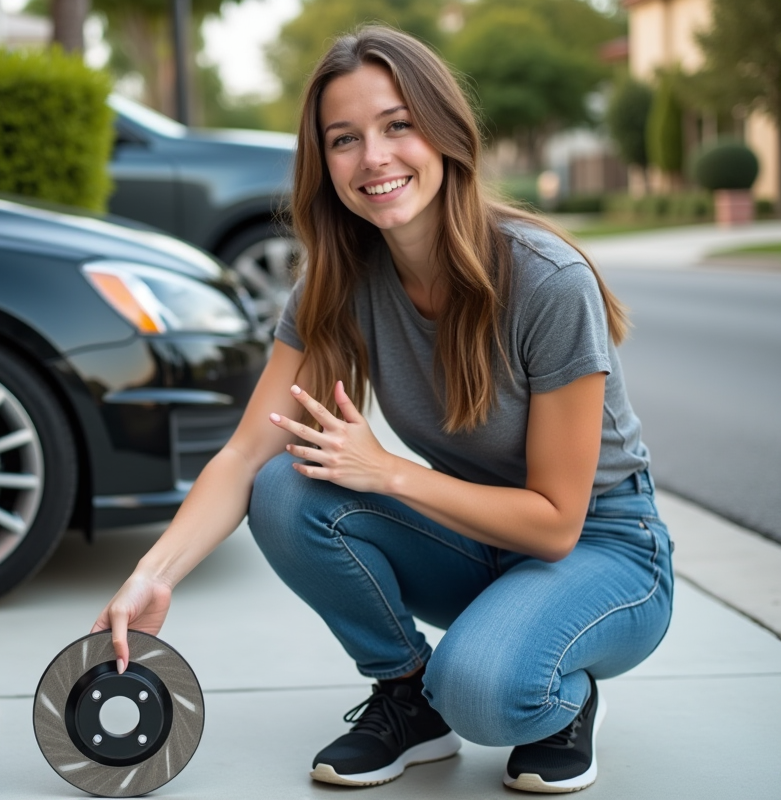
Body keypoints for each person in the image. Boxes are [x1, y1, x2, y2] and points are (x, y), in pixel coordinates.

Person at [90, 25, 673, 794]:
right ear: (324, 161)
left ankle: (559, 695)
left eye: (398, 125)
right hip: (475, 535)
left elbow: (557, 523)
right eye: (345, 139)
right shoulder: (340, 283)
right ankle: (406, 697)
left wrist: (389, 473)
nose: (374, 158)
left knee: (484, 692)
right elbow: (244, 455)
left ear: (445, 133)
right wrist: (152, 574)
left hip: (603, 548)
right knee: (284, 485)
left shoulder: (547, 282)